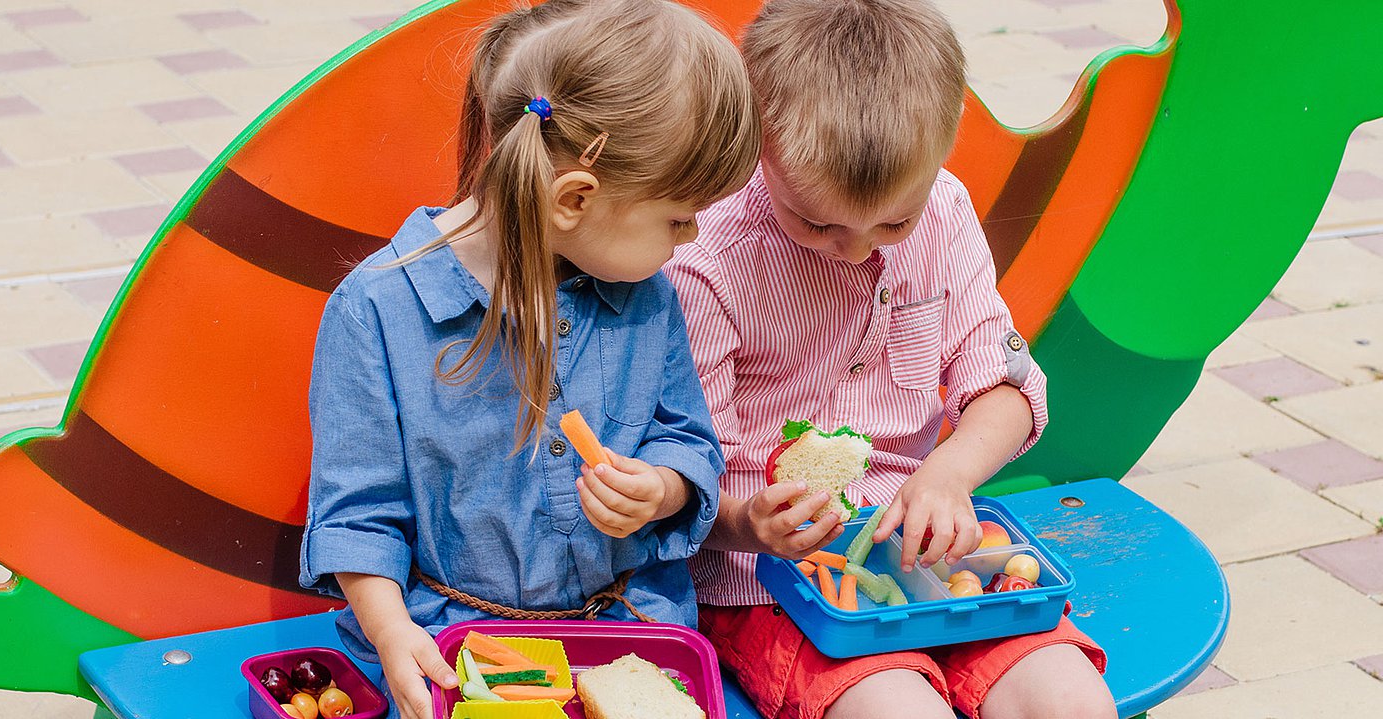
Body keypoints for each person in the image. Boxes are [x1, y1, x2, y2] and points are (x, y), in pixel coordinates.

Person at [300, 1, 761, 717]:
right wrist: (391, 632)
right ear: (575, 198)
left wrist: (663, 488)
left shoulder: (647, 297)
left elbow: (685, 436)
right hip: (449, 645)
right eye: (678, 216)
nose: (694, 236)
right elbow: (359, 517)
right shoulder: (377, 311)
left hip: (628, 634)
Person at [663, 0, 1114, 717]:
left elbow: (1006, 388)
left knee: (1071, 698)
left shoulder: (944, 210)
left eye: (892, 221)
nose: (860, 247)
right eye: (817, 221)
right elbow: (680, 472)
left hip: (929, 550)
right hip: (771, 581)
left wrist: (949, 471)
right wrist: (747, 520)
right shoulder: (708, 259)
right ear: (760, 145)